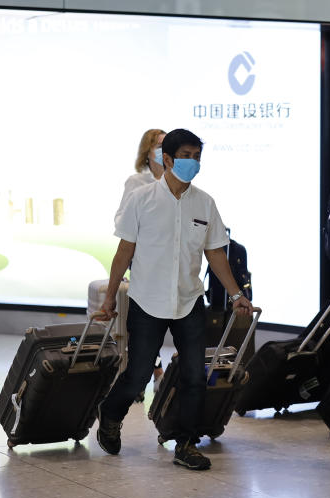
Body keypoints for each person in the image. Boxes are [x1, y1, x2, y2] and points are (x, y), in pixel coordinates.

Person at [96, 128, 253, 471]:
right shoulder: (141, 200)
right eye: (186, 156)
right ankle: (110, 414)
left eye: (197, 157)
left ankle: (186, 443)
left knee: (195, 376)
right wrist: (108, 300)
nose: (193, 162)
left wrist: (236, 294)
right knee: (138, 375)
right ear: (166, 159)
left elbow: (216, 254)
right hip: (146, 300)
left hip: (188, 301)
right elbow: (124, 253)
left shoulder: (205, 202)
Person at [119, 128, 167, 392]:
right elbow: (123, 221)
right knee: (146, 322)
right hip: (143, 261)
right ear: (147, 152)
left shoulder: (179, 182)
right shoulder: (137, 182)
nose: (164, 150)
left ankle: (154, 371)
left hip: (171, 263)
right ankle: (152, 372)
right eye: (159, 145)